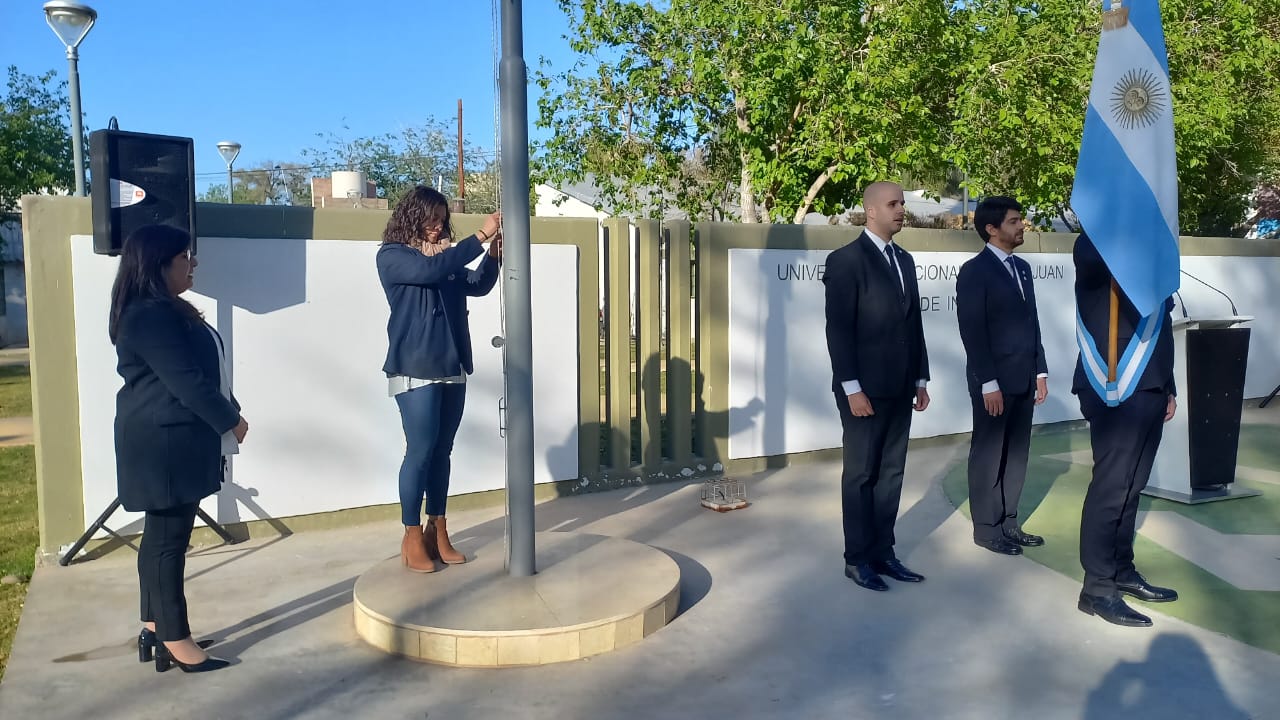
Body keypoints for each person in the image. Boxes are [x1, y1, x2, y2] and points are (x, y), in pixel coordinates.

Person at [110, 224, 246, 673]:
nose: (193, 264)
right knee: (169, 543)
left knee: (157, 540)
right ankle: (176, 638)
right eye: (185, 257)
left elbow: (203, 371)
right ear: (158, 264)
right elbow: (186, 381)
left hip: (166, 438)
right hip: (163, 444)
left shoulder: (160, 309)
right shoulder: (150, 314)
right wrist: (232, 420)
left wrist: (228, 405)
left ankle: (153, 626)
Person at [376, 186, 502, 573]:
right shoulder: (394, 256)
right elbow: (429, 271)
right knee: (420, 451)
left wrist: (495, 252)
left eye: (442, 219)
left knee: (442, 452)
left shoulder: (445, 260)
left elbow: (477, 285)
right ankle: (412, 535)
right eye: (431, 218)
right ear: (412, 217)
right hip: (414, 367)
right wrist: (480, 236)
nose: (437, 226)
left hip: (452, 366)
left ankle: (438, 529)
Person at [822, 181, 931, 592]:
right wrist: (852, 387)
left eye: (902, 203)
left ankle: (884, 552)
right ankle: (858, 559)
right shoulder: (846, 261)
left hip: (901, 386)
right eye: (893, 203)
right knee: (862, 473)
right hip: (862, 391)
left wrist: (921, 377)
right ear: (870, 211)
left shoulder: (904, 260)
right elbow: (839, 331)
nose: (901, 209)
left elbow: (913, 324)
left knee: (891, 473)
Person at [1072, 232, 1179, 627]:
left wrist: (1168, 385)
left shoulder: (1148, 250)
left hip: (1150, 383)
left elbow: (1160, 324)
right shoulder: (1093, 244)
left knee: (1133, 487)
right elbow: (1107, 265)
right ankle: (1097, 588)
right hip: (1114, 383)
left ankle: (1121, 570)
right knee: (1113, 486)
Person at [955, 196, 1048, 556]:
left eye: (1020, 219)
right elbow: (973, 331)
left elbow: (1032, 323)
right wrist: (988, 383)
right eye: (1013, 221)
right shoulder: (975, 272)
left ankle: (1009, 522)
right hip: (993, 382)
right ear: (991, 229)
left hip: (1024, 377)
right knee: (989, 453)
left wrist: (1039, 370)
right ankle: (987, 528)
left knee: (1018, 452)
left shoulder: (1022, 268)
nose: (1021, 226)